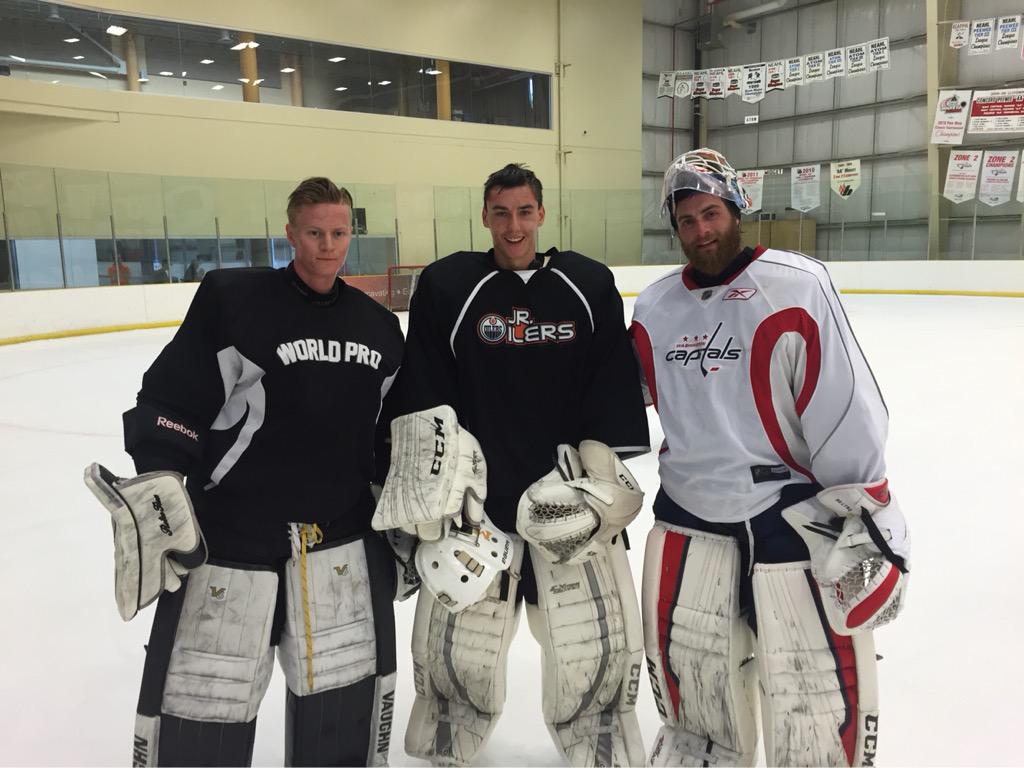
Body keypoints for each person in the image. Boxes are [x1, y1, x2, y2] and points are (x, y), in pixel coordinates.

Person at [83, 177, 405, 767]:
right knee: (206, 708)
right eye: (315, 233)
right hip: (233, 539)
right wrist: (162, 477)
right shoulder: (236, 302)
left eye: (339, 233)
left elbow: (389, 433)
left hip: (338, 540)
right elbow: (172, 398)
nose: (328, 246)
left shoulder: (378, 328)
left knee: (340, 712)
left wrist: (402, 507)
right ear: (290, 234)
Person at [631, 148, 911, 767]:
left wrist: (866, 505)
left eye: (710, 213)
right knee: (695, 680)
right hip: (688, 513)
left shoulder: (797, 285)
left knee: (810, 688)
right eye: (686, 221)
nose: (701, 231)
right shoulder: (653, 308)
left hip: (788, 516)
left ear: (736, 208)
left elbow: (842, 400)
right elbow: (629, 397)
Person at [372, 163, 651, 767]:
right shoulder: (450, 287)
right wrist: (430, 482)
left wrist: (601, 476)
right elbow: (426, 390)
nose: (513, 225)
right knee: (459, 648)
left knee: (588, 644)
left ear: (542, 214)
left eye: (524, 211)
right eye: (501, 212)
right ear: (485, 217)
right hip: (478, 506)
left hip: (565, 501)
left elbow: (609, 381)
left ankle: (597, 742)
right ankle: (447, 740)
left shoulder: (586, 284)